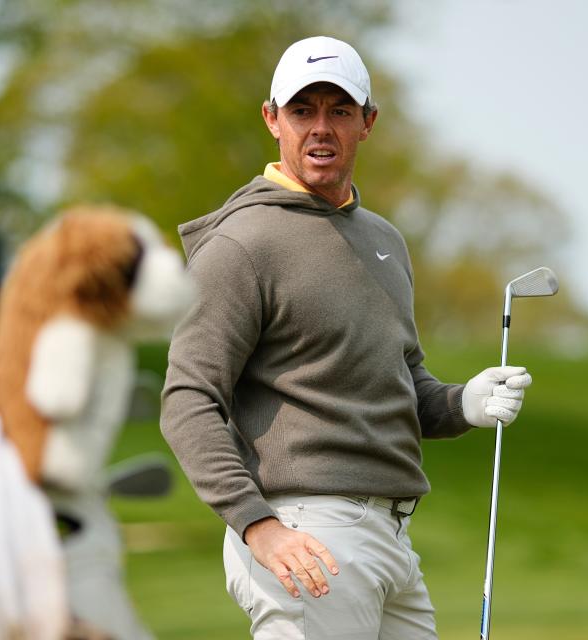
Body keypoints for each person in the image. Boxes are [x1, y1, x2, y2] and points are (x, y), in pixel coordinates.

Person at [160, 35, 533, 639]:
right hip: (306, 532)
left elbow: (399, 381)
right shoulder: (240, 244)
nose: (320, 129)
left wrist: (464, 402)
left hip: (391, 539)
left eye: (340, 110)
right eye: (303, 111)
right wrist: (257, 525)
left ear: (368, 122)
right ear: (272, 119)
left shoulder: (383, 240)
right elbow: (188, 400)